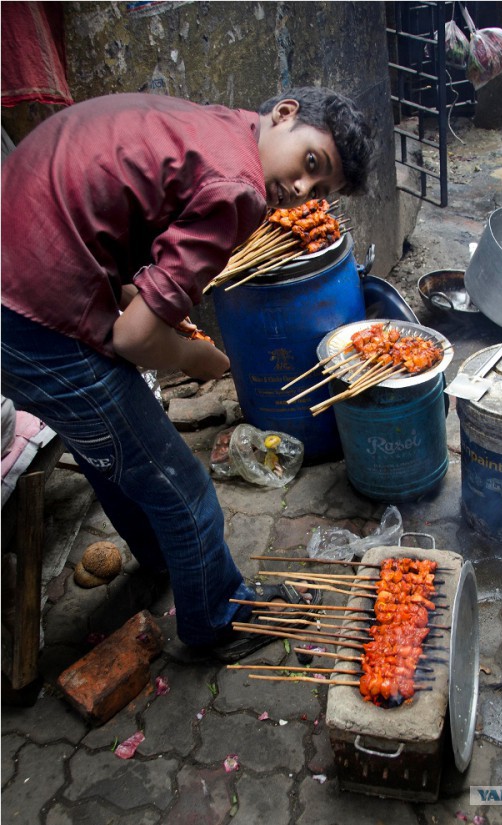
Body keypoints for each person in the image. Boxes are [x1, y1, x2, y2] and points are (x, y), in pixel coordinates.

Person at [1, 87, 374, 662]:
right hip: (33, 307)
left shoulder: (223, 127)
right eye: (310, 165)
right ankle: (216, 621)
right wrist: (190, 357)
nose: (301, 191)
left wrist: (139, 302)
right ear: (284, 114)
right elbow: (132, 339)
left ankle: (163, 556)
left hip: (23, 260)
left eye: (318, 190)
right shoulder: (240, 189)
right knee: (184, 486)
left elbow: (117, 213)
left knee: (106, 441)